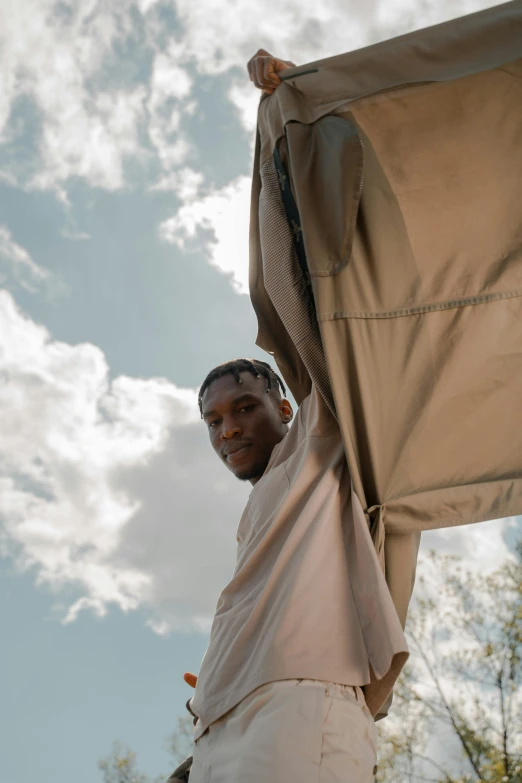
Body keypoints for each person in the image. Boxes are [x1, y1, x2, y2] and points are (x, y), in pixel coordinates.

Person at [175, 52, 410, 783]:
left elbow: (327, 280)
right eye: (213, 421)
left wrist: (296, 118)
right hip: (225, 730)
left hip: (298, 708)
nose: (228, 429)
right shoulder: (260, 519)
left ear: (285, 404)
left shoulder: (320, 435)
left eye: (243, 407)